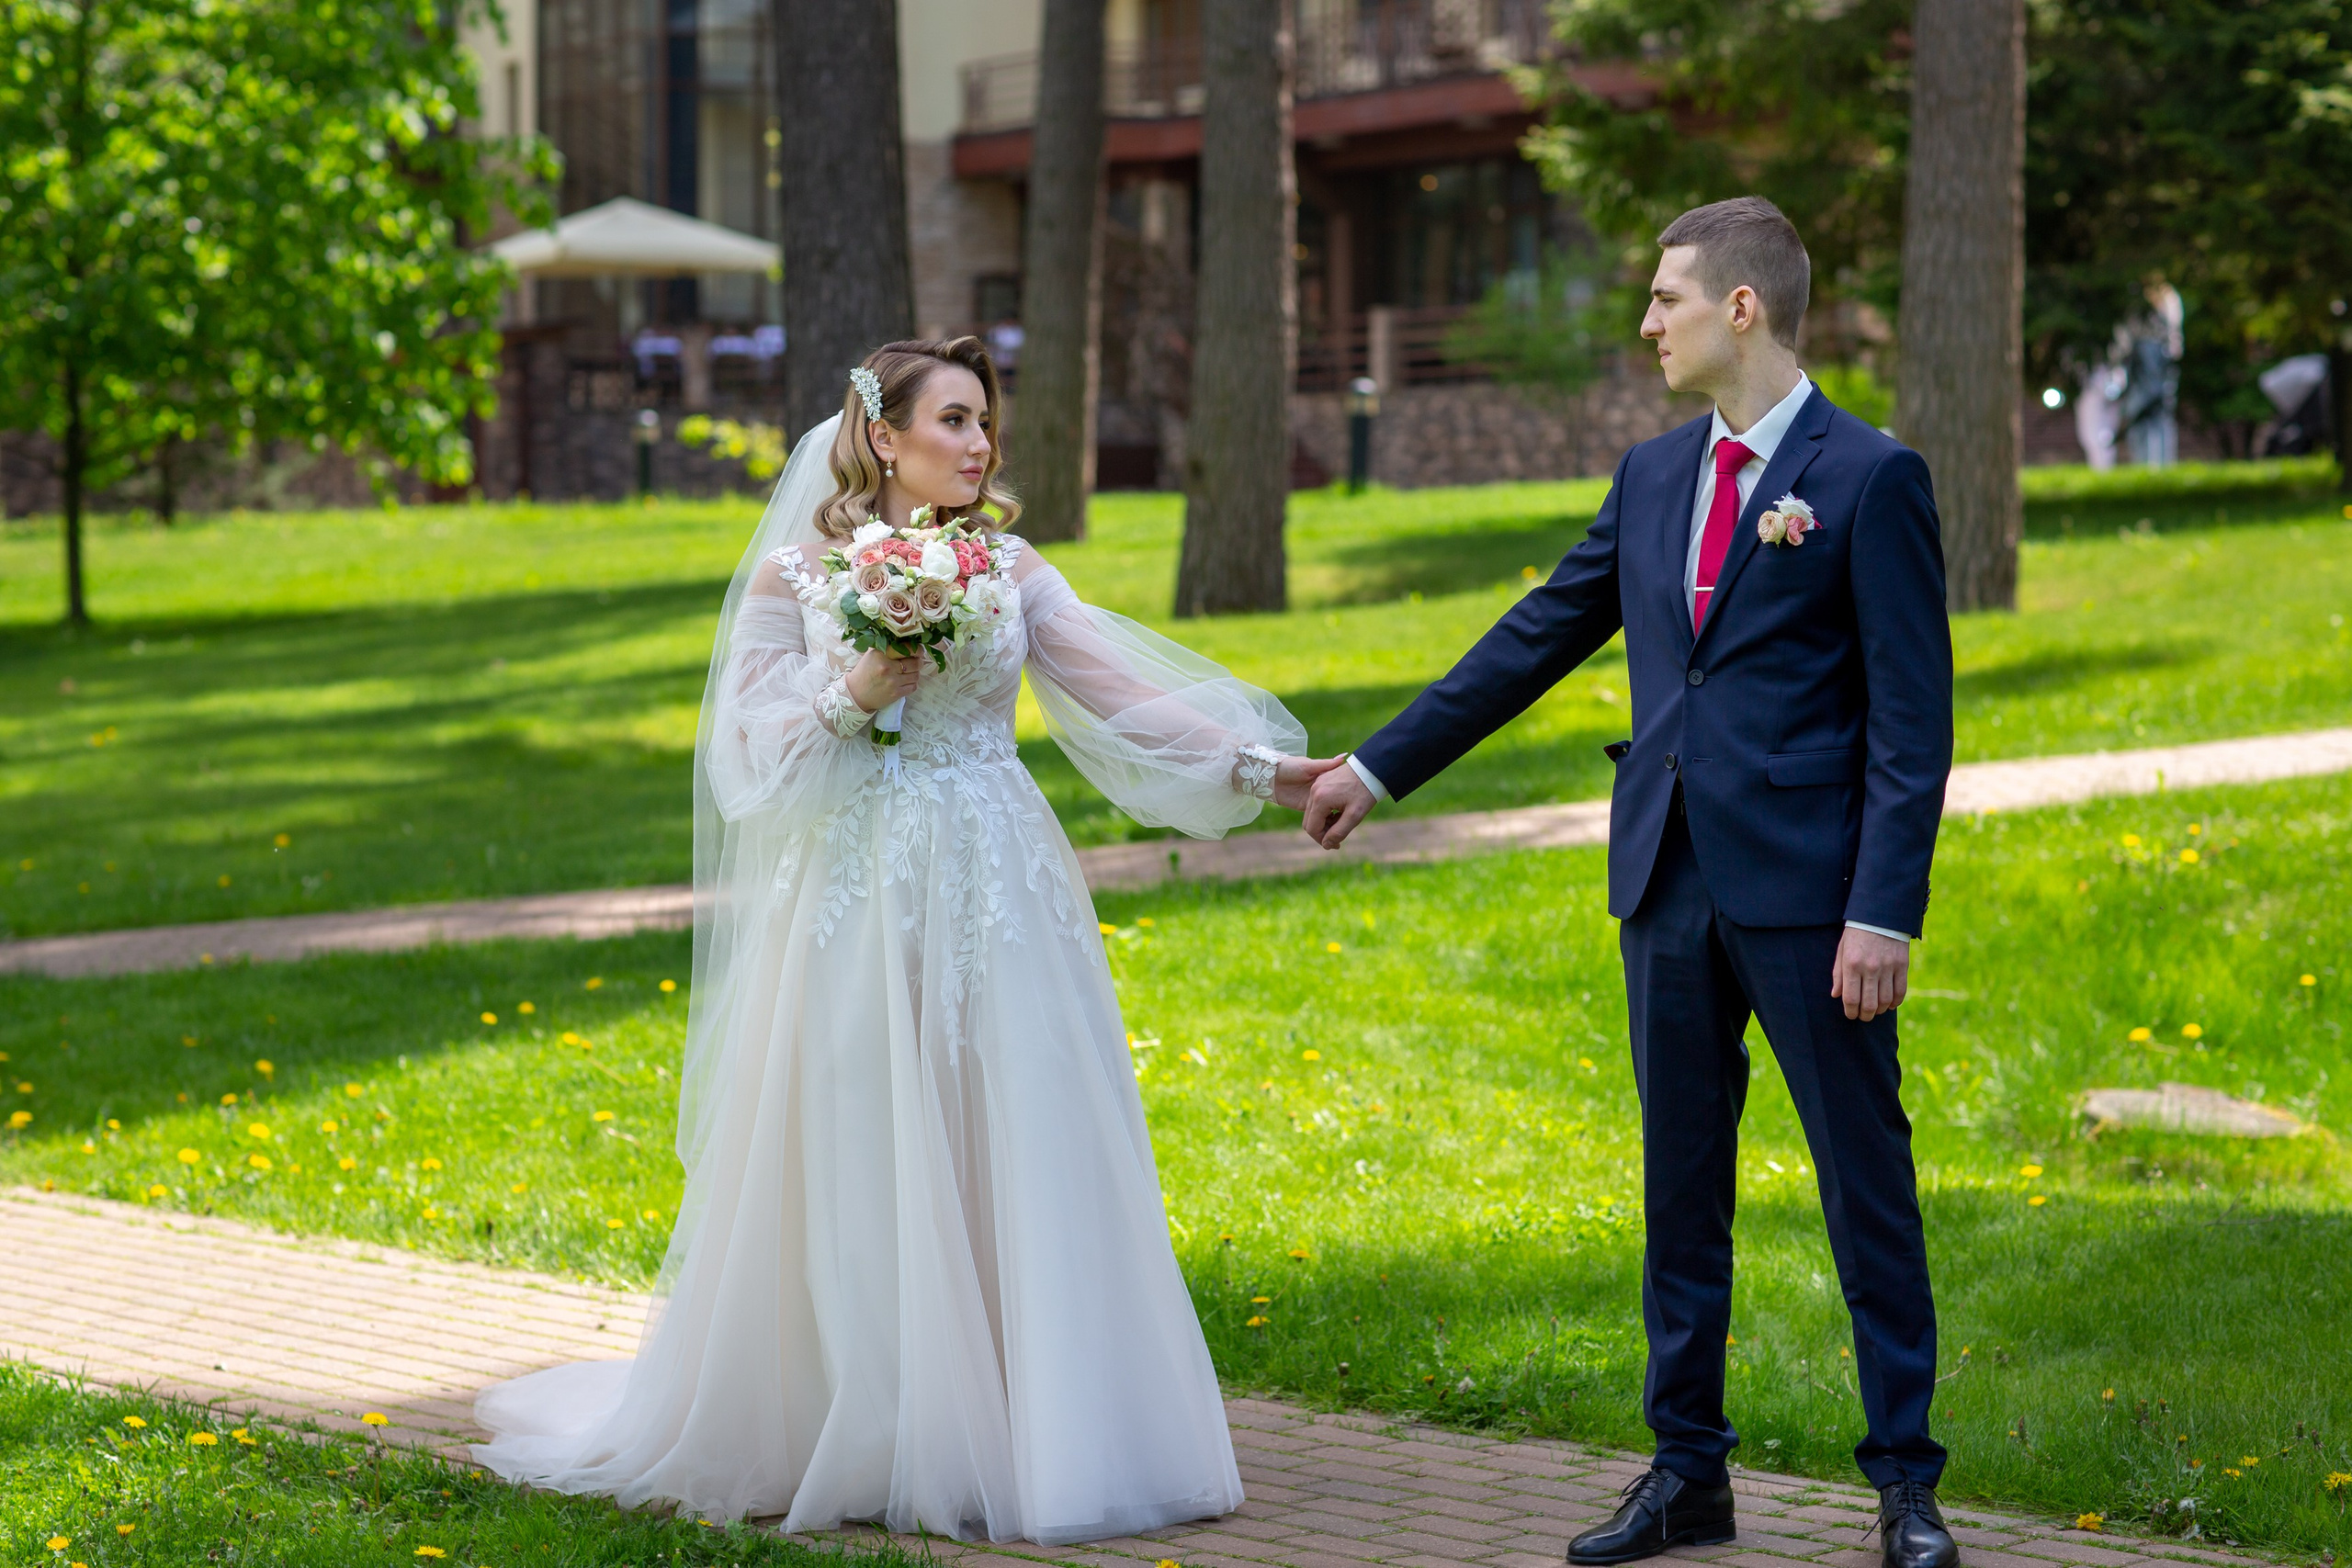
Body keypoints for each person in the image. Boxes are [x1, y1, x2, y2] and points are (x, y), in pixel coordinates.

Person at [472, 336, 1343, 1540]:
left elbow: (1116, 691)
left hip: (996, 872)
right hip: (854, 885)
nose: (980, 446)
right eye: (955, 421)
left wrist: (1266, 767)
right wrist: (856, 692)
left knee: (1015, 1116)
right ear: (884, 436)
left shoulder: (1013, 566)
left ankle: (1033, 1422)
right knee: (859, 1126)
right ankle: (865, 1421)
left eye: (987, 423)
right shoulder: (797, 574)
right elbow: (747, 754)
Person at [1298, 197, 1958, 1568]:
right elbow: (1535, 635)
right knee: (1681, 1189)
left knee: (1864, 1193)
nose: (1644, 321)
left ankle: (1906, 1487)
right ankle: (1687, 1477)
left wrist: (1882, 910)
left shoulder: (1872, 477)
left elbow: (1912, 720)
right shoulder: (1654, 475)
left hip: (1813, 903)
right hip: (1663, 882)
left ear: (1741, 309)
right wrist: (1377, 767)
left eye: (1665, 298)